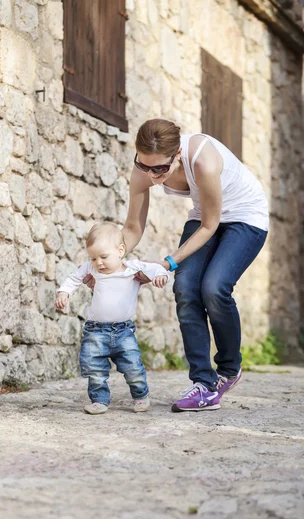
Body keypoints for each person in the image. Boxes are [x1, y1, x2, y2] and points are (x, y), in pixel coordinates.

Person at [121, 118, 269, 412]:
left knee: (214, 287)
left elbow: (210, 225)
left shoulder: (202, 160)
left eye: (160, 169)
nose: (152, 175)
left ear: (177, 155)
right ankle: (204, 384)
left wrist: (168, 262)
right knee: (186, 288)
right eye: (144, 165)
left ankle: (228, 368)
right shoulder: (144, 171)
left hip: (244, 217)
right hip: (204, 218)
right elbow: (132, 227)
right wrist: (111, 258)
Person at [55, 222, 169, 415]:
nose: (98, 262)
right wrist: (64, 293)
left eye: (104, 257)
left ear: (120, 250)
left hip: (123, 331)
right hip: (95, 331)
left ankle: (140, 395)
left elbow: (156, 269)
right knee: (94, 369)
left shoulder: (132, 268)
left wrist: (161, 276)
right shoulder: (91, 269)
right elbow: (73, 278)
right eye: (93, 258)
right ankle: (99, 400)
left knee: (132, 366)